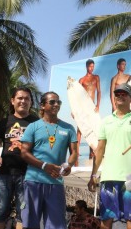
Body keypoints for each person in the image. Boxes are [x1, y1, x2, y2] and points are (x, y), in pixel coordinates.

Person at [88, 83, 131, 229]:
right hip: (108, 177)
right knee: (105, 221)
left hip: (130, 178)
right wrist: (93, 175)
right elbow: (100, 150)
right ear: (114, 98)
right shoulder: (106, 121)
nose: (120, 97)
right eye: (117, 94)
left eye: (124, 94)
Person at [20, 91, 78, 229]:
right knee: (29, 224)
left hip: (55, 182)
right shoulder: (33, 127)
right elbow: (24, 153)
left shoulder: (69, 128)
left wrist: (68, 165)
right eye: (52, 102)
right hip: (33, 181)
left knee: (56, 225)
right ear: (42, 105)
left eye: (59, 102)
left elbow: (75, 152)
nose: (56, 104)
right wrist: (44, 165)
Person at [0, 87, 39, 229]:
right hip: (4, 173)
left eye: (27, 98)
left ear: (31, 102)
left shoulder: (37, 123)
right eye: (20, 98)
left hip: (27, 174)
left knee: (23, 214)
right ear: (12, 101)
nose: (23, 101)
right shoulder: (4, 122)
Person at [77, 59, 101, 161]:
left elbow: (99, 91)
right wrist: (75, 110)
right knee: (80, 129)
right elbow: (77, 96)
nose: (92, 68)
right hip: (82, 107)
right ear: (87, 67)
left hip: (92, 107)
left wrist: (98, 105)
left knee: (92, 128)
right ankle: (77, 152)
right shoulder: (81, 80)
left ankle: (92, 152)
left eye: (93, 66)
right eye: (90, 66)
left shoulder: (96, 77)